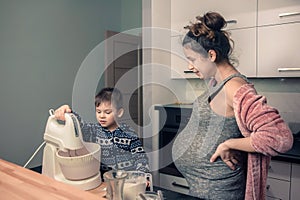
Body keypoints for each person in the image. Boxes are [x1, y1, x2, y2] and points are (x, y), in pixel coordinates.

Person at [172, 12, 293, 200]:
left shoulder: (236, 88)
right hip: (203, 188)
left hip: (220, 192)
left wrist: (230, 144)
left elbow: (280, 137)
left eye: (193, 59)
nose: (190, 66)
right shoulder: (216, 83)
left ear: (211, 55)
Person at [54, 87, 150, 175]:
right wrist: (68, 112)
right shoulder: (94, 131)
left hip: (128, 181)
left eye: (107, 112)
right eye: (98, 111)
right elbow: (80, 125)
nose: (102, 116)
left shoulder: (129, 134)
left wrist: (142, 174)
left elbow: (140, 157)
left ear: (119, 113)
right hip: (103, 181)